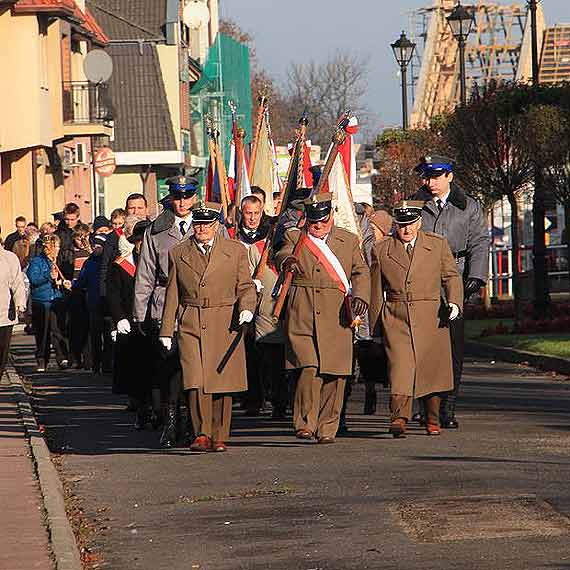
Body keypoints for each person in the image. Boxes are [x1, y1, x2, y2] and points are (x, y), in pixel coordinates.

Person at [160, 201, 256, 452]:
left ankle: (219, 433)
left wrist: (247, 307)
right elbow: (173, 293)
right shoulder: (179, 253)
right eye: (198, 223)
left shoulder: (235, 251)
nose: (201, 228)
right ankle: (201, 433)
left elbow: (245, 285)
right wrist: (166, 330)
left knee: (222, 381)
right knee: (196, 380)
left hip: (225, 320)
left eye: (206, 224)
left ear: (216, 226)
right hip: (192, 319)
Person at [275, 193, 370, 444]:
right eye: (313, 221)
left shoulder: (348, 240)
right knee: (308, 367)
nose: (318, 225)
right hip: (303, 310)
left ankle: (328, 428)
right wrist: (288, 261)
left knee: (335, 374)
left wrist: (361, 296)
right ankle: (305, 422)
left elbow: (360, 271)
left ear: (331, 216)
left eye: (323, 220)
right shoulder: (296, 237)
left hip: (337, 313)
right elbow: (281, 253)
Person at [369, 200, 463, 437]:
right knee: (400, 368)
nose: (407, 229)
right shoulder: (381, 249)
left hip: (431, 315)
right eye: (401, 224)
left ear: (419, 222)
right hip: (396, 315)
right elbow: (375, 290)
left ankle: (433, 419)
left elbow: (451, 276)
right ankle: (399, 418)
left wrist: (454, 302)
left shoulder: (437, 245)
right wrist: (376, 327)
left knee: (430, 370)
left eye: (411, 223)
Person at [412, 155, 489, 428]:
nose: (429, 182)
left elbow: (480, 241)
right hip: (421, 281)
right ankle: (424, 406)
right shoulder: (415, 205)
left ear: (449, 177)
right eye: (426, 177)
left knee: (453, 349)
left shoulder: (468, 206)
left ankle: (449, 407)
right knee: (421, 349)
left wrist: (477, 277)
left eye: (435, 176)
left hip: (455, 279)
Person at [133, 177, 198, 448]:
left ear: (195, 197)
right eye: (177, 197)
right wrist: (140, 314)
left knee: (195, 370)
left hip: (197, 307)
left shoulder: (209, 225)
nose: (182, 202)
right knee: (170, 369)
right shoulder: (156, 231)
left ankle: (196, 425)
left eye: (187, 196)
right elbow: (145, 275)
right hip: (164, 306)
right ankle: (172, 423)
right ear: (170, 197)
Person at [107, 216, 152, 428]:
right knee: (137, 370)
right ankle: (141, 409)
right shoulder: (121, 265)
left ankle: (157, 409)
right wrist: (119, 319)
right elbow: (113, 295)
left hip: (153, 321)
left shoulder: (157, 262)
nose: (142, 245)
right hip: (131, 323)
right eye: (139, 241)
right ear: (134, 242)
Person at [27, 235, 70, 371]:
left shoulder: (60, 260)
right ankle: (41, 359)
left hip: (56, 298)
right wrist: (47, 276)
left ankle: (62, 357)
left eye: (58, 246)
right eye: (56, 246)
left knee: (58, 330)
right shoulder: (37, 261)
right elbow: (33, 279)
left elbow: (64, 276)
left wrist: (64, 283)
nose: (58, 249)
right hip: (42, 300)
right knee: (42, 332)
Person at [73, 234, 111, 374]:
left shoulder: (108, 261)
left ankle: (107, 364)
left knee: (108, 336)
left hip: (107, 303)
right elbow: (82, 280)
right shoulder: (89, 262)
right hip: (93, 303)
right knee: (95, 335)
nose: (95, 248)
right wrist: (73, 284)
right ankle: (96, 363)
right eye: (94, 245)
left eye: (98, 246)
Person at [0, 236, 26, 378]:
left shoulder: (9, 258)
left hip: (4, 313)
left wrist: (20, 302)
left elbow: (17, 282)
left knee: (2, 351)